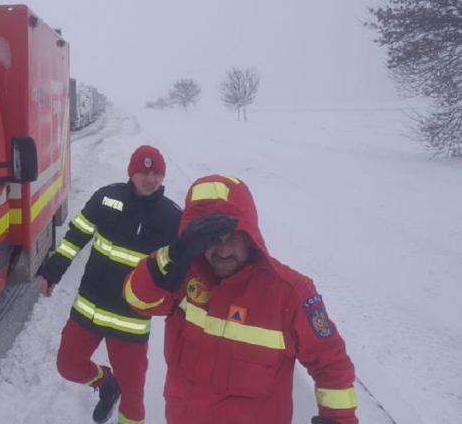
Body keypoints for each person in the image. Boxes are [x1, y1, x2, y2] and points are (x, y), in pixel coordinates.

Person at [123, 174, 358, 424]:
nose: (223, 251)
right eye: (213, 240)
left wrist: (338, 419)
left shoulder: (290, 292)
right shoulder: (182, 276)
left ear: (250, 235)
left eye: (232, 237)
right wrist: (174, 254)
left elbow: (332, 365)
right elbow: (136, 299)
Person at [40, 145, 182, 424]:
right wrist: (53, 270)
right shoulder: (107, 197)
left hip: (130, 321)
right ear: (132, 172)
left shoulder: (172, 217)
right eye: (143, 171)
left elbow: (180, 269)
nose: (149, 178)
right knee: (68, 366)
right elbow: (76, 236)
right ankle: (107, 383)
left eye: (156, 173)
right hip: (89, 306)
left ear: (163, 176)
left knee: (133, 397)